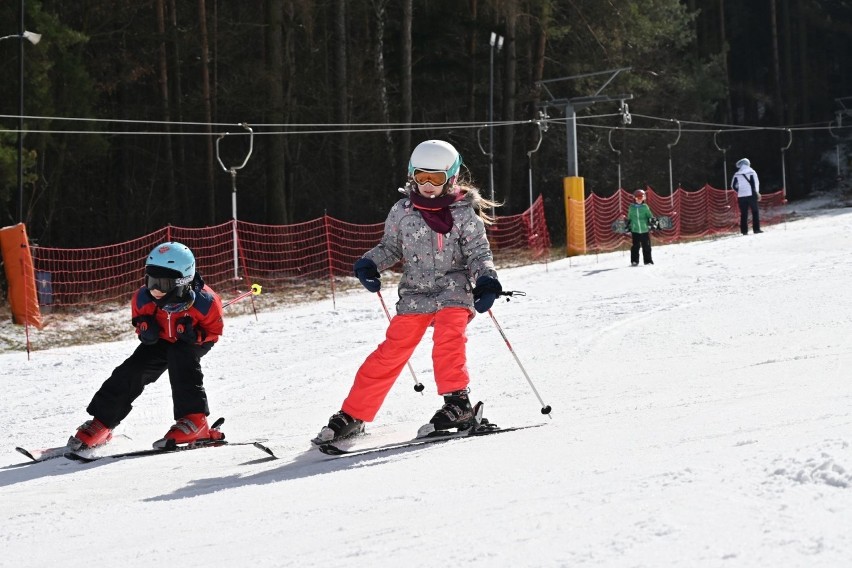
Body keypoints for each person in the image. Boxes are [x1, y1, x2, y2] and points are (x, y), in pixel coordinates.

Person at [313, 139, 501, 444]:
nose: (427, 185)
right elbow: (390, 247)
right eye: (421, 176)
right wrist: (369, 263)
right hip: (415, 292)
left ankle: (458, 404)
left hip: (453, 289)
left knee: (448, 339)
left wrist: (486, 280)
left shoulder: (464, 214)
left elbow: (478, 253)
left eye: (436, 178)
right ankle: (354, 413)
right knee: (390, 353)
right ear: (412, 175)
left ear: (451, 178)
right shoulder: (402, 211)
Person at [69, 242, 225, 450]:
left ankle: (194, 421)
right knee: (132, 369)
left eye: (163, 283)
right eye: (151, 282)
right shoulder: (143, 298)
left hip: (190, 343)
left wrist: (195, 335)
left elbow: (213, 333)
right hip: (161, 341)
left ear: (183, 280)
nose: (155, 290)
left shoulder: (206, 302)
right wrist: (146, 333)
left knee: (181, 358)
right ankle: (102, 423)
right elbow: (139, 325)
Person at [731, 158, 762, 235]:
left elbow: (733, 186)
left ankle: (744, 231)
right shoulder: (752, 172)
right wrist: (757, 193)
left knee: (744, 213)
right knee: (755, 211)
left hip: (741, 196)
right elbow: (756, 183)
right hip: (751, 194)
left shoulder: (737, 174)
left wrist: (739, 191)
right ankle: (756, 229)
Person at [626, 189, 655, 266]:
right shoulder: (631, 208)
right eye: (637, 198)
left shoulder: (645, 207)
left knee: (646, 246)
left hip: (644, 230)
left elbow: (650, 216)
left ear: (643, 198)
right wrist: (628, 226)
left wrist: (652, 224)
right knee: (635, 246)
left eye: (641, 198)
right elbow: (629, 218)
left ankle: (648, 261)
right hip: (635, 230)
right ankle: (634, 261)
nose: (639, 200)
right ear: (634, 198)